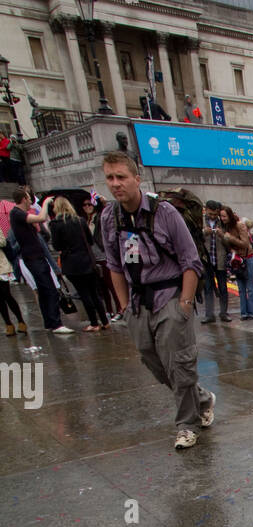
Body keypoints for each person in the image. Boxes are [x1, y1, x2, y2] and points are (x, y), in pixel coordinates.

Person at [101, 151, 212, 451]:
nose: (115, 184)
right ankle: (202, 398)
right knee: (153, 360)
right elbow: (114, 265)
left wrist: (184, 305)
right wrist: (124, 307)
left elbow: (191, 261)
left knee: (179, 364)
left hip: (170, 297)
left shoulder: (165, 213)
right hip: (138, 303)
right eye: (110, 178)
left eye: (121, 177)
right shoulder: (109, 217)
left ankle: (187, 425)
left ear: (137, 179)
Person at [9, 188, 70, 333]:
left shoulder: (18, 214)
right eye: (29, 199)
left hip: (35, 256)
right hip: (33, 258)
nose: (31, 201)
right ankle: (56, 323)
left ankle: (50, 322)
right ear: (23, 199)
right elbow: (41, 218)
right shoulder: (17, 213)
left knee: (44, 291)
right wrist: (45, 203)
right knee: (50, 290)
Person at [49, 196, 109, 330]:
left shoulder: (55, 224)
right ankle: (105, 321)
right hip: (87, 259)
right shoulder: (80, 221)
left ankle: (94, 323)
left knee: (84, 293)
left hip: (71, 263)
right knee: (94, 292)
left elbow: (57, 245)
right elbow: (90, 240)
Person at [218, 205, 253, 319]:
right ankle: (244, 313)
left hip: (247, 258)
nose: (223, 218)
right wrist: (223, 237)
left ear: (229, 215)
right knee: (240, 288)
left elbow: (245, 243)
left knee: (250, 287)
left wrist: (229, 238)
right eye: (221, 216)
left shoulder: (239, 225)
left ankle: (252, 312)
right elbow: (228, 244)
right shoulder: (226, 228)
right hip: (236, 260)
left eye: (224, 216)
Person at [201, 200, 231, 323]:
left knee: (223, 287)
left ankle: (223, 313)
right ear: (206, 210)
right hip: (206, 259)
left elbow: (229, 242)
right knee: (207, 287)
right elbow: (193, 237)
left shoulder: (223, 222)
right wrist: (204, 232)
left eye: (215, 214)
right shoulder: (200, 220)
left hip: (220, 259)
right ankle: (209, 314)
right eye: (211, 214)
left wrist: (222, 235)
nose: (213, 216)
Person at [0, 228, 27, 334]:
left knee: (7, 294)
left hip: (1, 267)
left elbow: (3, 241)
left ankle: (21, 321)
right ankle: (8, 324)